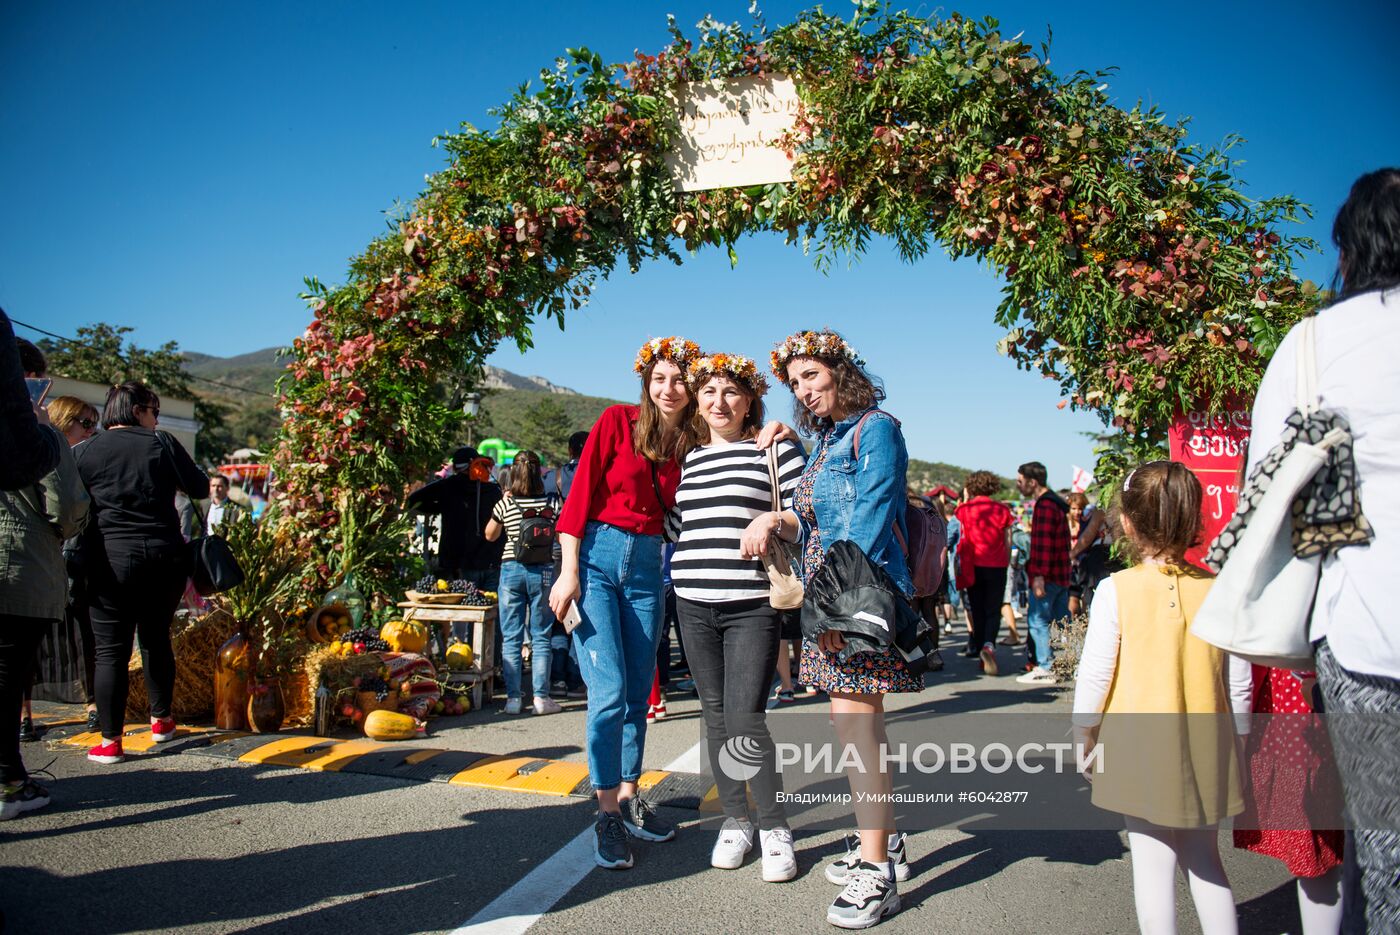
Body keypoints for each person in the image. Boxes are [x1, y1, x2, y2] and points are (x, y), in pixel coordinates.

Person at [1242, 167, 1400, 932]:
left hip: (1369, 624)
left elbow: (1264, 491)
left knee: (1384, 845)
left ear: (1349, 247)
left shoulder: (1315, 343)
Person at [751, 328, 918, 929]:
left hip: (853, 593)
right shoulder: (827, 441)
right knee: (857, 726)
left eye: (812, 376)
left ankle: (877, 873)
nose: (804, 389)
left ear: (840, 373)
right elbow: (811, 519)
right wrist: (777, 519)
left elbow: (870, 520)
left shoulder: (876, 429)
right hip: (831, 595)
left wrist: (836, 609)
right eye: (795, 383)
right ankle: (885, 844)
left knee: (857, 728)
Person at [1072, 461, 1253, 934]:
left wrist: (1083, 732)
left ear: (1126, 523)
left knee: (1152, 866)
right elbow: (1239, 681)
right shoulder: (1218, 590)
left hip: (1139, 747)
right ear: (1194, 519)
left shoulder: (1116, 590)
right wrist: (1242, 740)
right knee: (1206, 860)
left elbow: (1096, 673)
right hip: (1209, 743)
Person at [548, 337, 700, 870]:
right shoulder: (616, 422)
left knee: (639, 689)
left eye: (680, 379)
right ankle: (606, 810)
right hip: (594, 557)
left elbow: (747, 435)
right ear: (646, 383)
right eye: (660, 378)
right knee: (608, 689)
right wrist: (567, 572)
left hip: (647, 568)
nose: (669, 388)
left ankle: (633, 796)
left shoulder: (691, 441)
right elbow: (580, 495)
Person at [669, 352, 805, 882]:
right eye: (708, 392)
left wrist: (772, 518)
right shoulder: (690, 458)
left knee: (747, 718)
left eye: (730, 392)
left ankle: (774, 827)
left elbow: (804, 513)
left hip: (751, 603)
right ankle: (735, 820)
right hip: (691, 602)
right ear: (697, 402)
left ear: (750, 400)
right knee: (714, 716)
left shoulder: (771, 450)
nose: (718, 402)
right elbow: (676, 525)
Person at [76, 381, 209, 764]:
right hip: (164, 558)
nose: (157, 418)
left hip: (109, 560)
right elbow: (199, 487)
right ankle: (162, 722)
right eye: (154, 410)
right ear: (136, 410)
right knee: (155, 640)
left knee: (111, 652)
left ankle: (110, 741)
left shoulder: (85, 450)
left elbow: (66, 503)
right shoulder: (161, 444)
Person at [1, 344, 87, 820]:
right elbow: (67, 507)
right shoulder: (34, 432)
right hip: (19, 565)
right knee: (7, 677)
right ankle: (9, 781)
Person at [34, 397, 100, 728]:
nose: (92, 431)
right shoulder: (45, 455)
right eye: (86, 423)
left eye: (94, 424)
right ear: (63, 422)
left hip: (75, 556)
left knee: (83, 635)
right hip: (51, 553)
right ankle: (24, 716)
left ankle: (91, 704)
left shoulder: (83, 458)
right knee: (32, 639)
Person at [484, 450, 561, 716]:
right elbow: (560, 535)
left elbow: (490, 535)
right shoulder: (550, 503)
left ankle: (514, 699)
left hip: (511, 570)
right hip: (542, 571)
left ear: (514, 473)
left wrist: (504, 510)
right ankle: (541, 698)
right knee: (541, 637)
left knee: (512, 637)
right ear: (539, 472)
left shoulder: (506, 503)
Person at [1016, 461, 1071, 684]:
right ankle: (1069, 662)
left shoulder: (1045, 506)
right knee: (1062, 622)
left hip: (1047, 576)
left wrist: (1038, 575)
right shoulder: (1056, 504)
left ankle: (1046, 666)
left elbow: (1043, 544)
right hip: (1061, 573)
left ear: (1032, 481)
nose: (1018, 486)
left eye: (1020, 481)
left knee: (1038, 621)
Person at [954, 470, 1014, 676]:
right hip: (997, 565)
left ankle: (981, 648)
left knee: (977, 609)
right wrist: (1006, 562)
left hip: (973, 565)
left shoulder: (964, 510)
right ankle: (989, 645)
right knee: (993, 610)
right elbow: (1008, 541)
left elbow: (961, 536)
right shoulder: (1002, 509)